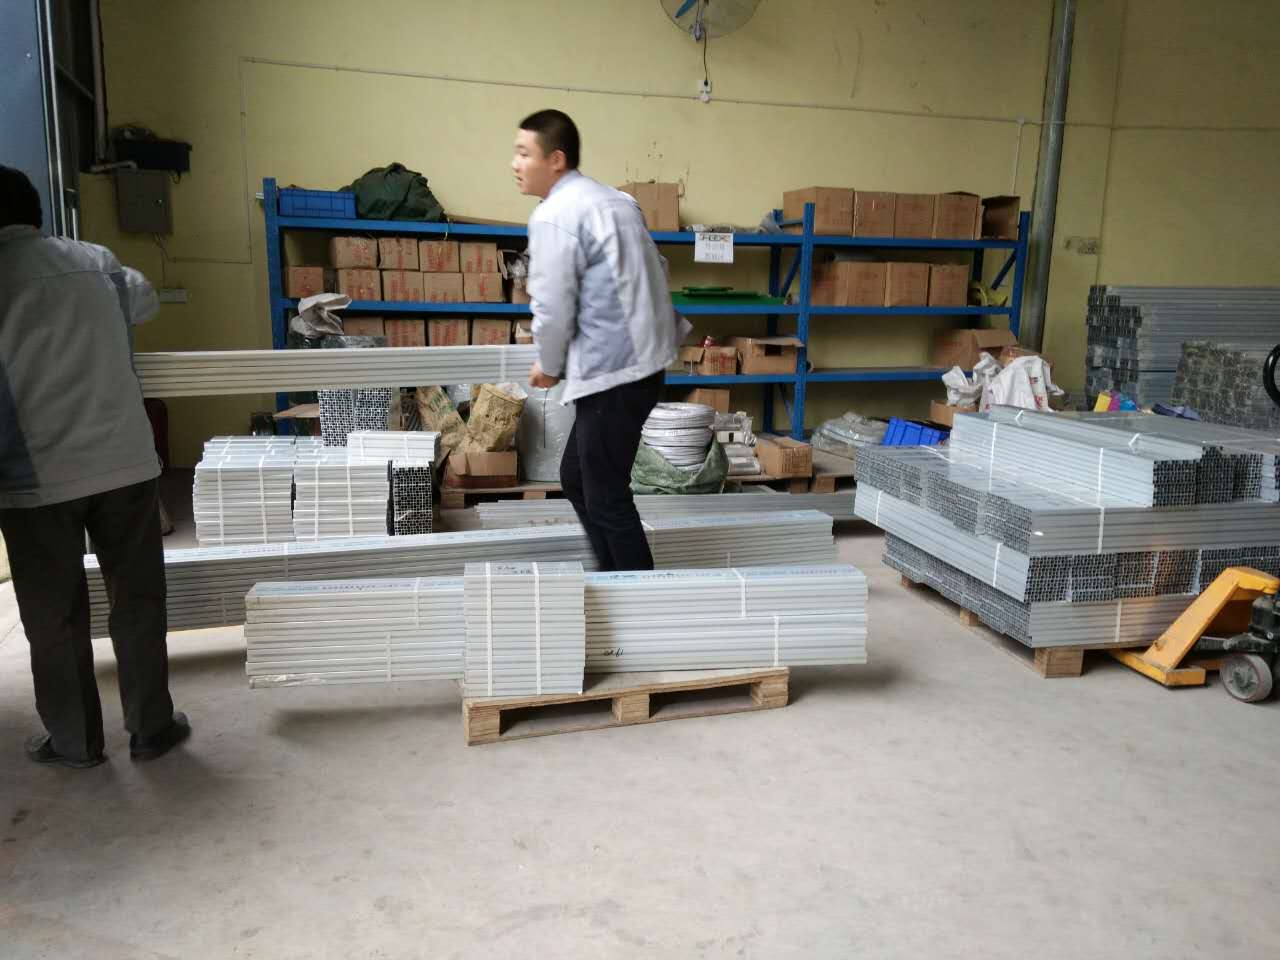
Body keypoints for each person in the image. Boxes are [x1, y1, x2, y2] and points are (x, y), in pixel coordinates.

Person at [0, 165, 188, 769]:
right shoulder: (95, 262)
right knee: (138, 601)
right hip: (124, 462)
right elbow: (145, 301)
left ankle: (75, 741)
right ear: (36, 214)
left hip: (35, 478)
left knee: (53, 615)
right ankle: (151, 728)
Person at [513, 109, 690, 572]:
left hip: (615, 371)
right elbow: (657, 268)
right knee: (577, 477)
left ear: (555, 159)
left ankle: (639, 596)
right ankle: (615, 578)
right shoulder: (616, 201)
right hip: (641, 365)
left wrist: (548, 364)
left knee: (606, 493)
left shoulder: (555, 216)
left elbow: (552, 304)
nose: (515, 163)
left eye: (524, 153)